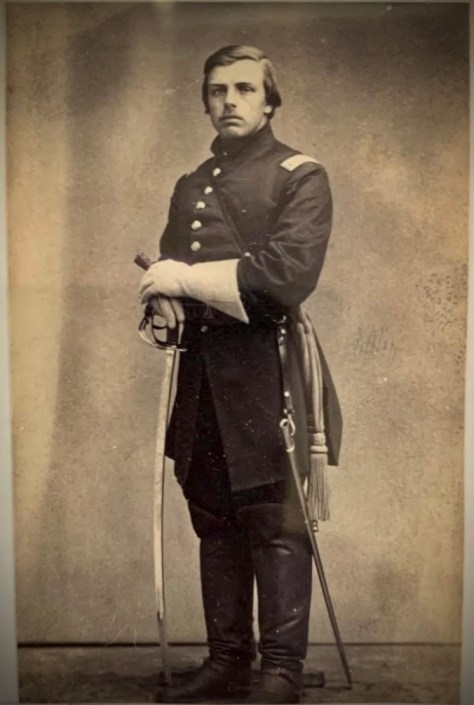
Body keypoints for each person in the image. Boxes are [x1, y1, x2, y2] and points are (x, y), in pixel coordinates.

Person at [138, 44, 342, 704]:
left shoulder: (299, 176)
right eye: (217, 90)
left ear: (269, 101)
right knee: (214, 514)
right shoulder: (191, 184)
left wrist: (181, 278)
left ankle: (280, 671)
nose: (229, 101)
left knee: (274, 519)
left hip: (266, 368)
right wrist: (162, 301)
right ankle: (227, 660)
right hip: (203, 371)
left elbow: (283, 278)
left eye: (245, 89)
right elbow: (169, 276)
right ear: (205, 101)